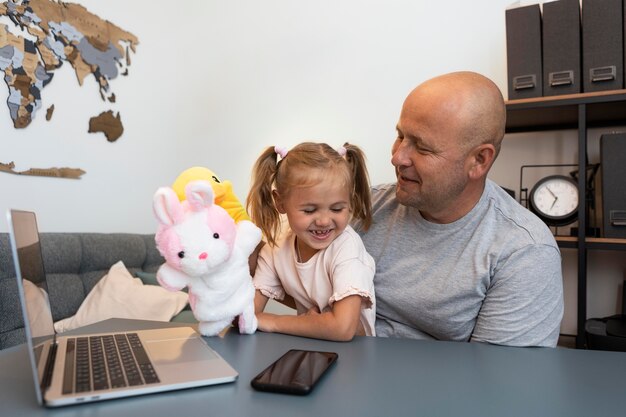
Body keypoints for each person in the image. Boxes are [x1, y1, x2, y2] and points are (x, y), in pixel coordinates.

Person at [353, 71, 564, 347]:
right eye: (400, 136)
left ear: (479, 160)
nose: (397, 157)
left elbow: (497, 381)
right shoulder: (365, 207)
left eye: (422, 147)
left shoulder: (525, 251)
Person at [246, 142, 376, 341]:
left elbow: (342, 328)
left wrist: (273, 321)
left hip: (356, 357)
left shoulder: (347, 248)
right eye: (309, 210)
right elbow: (247, 313)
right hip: (310, 349)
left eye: (337, 209)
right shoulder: (276, 250)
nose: (324, 221)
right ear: (280, 202)